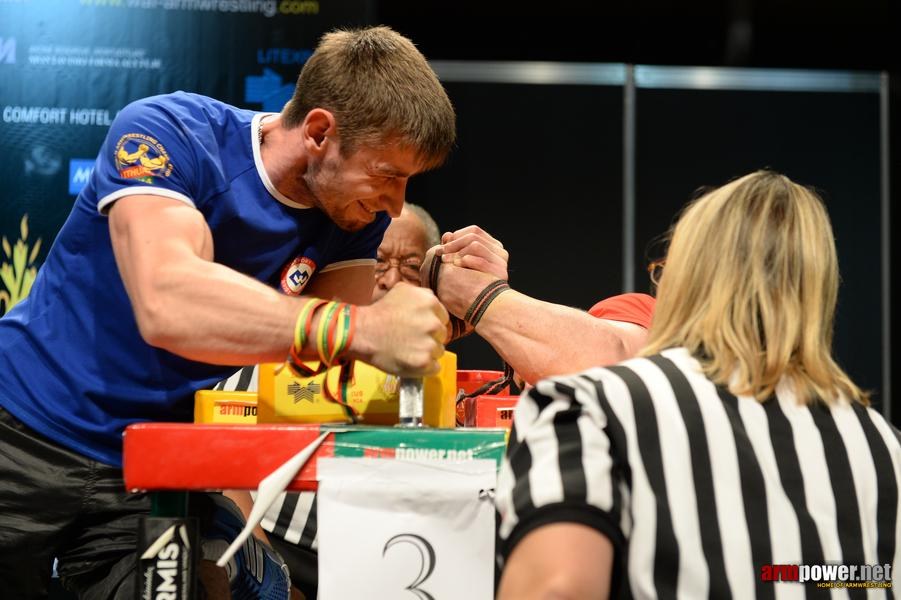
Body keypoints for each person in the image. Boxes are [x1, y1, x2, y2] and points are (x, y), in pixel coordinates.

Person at [0, 26, 455, 599]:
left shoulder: (354, 222)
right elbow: (167, 302)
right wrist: (359, 329)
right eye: (387, 175)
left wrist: (446, 319)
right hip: (21, 429)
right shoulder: (170, 133)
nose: (395, 202)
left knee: (237, 581)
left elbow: (327, 372)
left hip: (154, 465)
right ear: (319, 132)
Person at [494, 170, 900, 598]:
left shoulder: (591, 408)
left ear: (684, 280)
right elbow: (844, 578)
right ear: (817, 293)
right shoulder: (881, 445)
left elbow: (557, 589)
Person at [215, 202, 443, 599]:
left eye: (410, 267)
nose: (392, 280)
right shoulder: (287, 349)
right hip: (276, 546)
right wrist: (273, 577)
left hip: (384, 563)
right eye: (378, 261)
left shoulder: (433, 376)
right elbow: (218, 462)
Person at [425, 225, 655, 385]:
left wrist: (480, 294)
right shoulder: (643, 311)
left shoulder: (661, 320)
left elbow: (613, 359)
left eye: (410, 265)